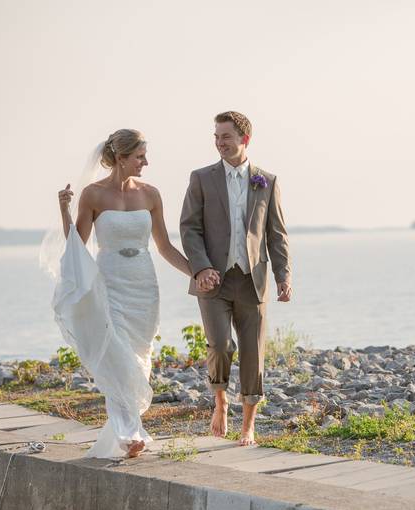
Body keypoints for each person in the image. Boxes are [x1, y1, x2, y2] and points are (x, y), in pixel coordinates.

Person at [54, 129, 190, 458]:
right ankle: (129, 433)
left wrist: (196, 273)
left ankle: (126, 429)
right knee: (116, 356)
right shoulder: (94, 195)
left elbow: (165, 247)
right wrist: (64, 212)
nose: (146, 162)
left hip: (144, 284)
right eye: (140, 156)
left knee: (140, 357)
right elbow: (77, 248)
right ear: (121, 158)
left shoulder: (151, 194)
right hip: (109, 283)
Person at [180, 111, 292, 446]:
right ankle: (220, 401)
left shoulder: (266, 181)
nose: (219, 143)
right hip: (212, 280)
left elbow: (277, 234)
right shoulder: (201, 178)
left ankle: (248, 426)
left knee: (253, 351)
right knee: (220, 345)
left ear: (245, 139)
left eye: (225, 136)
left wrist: (283, 275)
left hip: (252, 279)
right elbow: (189, 227)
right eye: (216, 137)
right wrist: (201, 268)